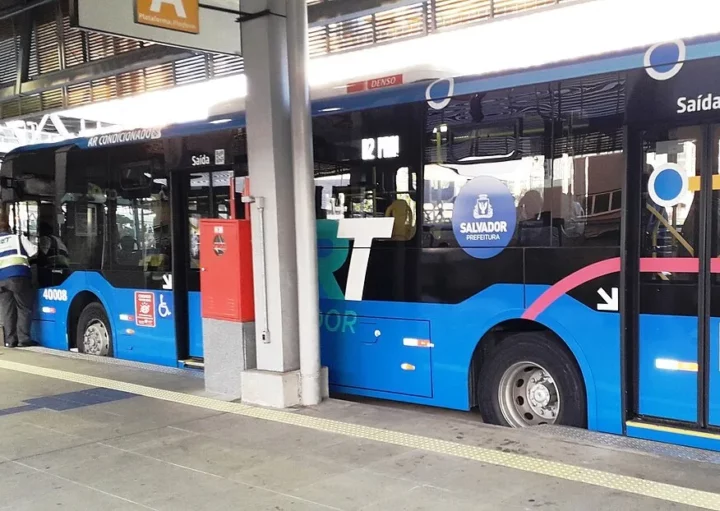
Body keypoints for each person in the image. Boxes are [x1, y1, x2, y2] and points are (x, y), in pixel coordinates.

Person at [0, 212, 38, 348]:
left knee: (7, 309)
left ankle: (10, 341)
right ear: (9, 229)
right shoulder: (17, 238)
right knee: (23, 307)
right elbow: (34, 251)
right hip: (18, 276)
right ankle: (23, 339)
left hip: (1, 280)